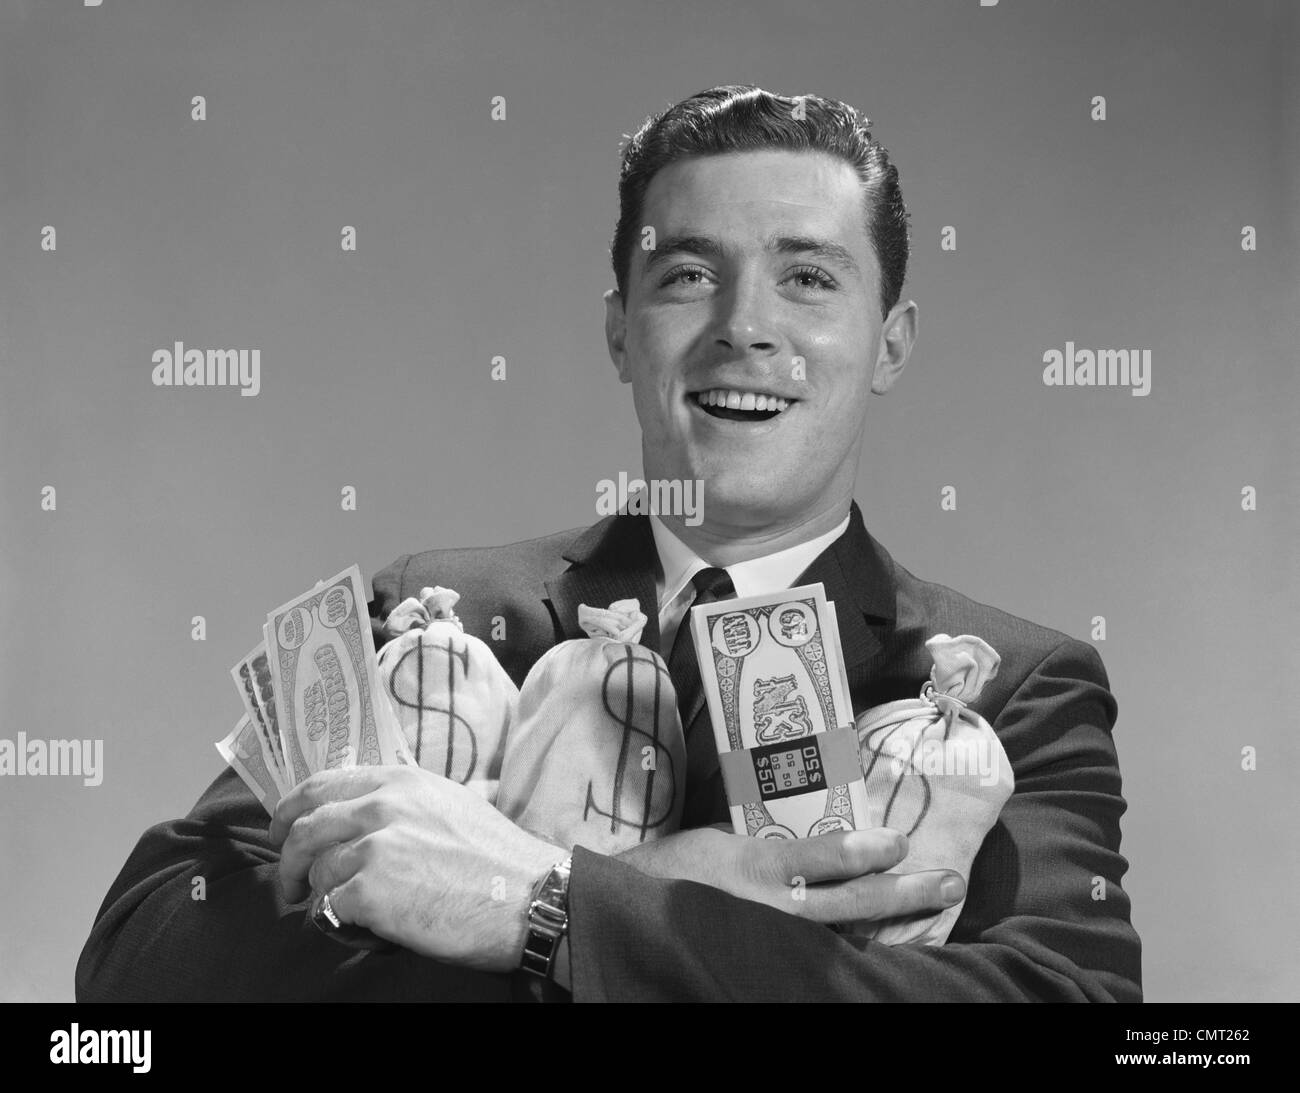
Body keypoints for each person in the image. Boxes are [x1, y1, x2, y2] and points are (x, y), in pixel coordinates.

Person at [76, 85, 1141, 1002]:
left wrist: (545, 903)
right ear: (619, 329)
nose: (744, 326)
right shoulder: (427, 616)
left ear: (889, 344)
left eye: (807, 278)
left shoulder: (1014, 689)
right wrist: (691, 935)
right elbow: (144, 967)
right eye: (687, 274)